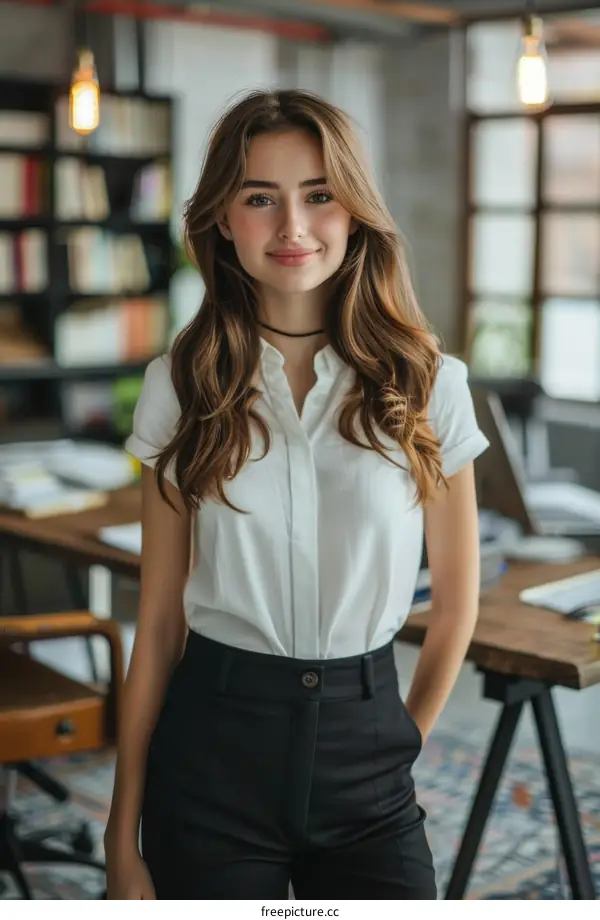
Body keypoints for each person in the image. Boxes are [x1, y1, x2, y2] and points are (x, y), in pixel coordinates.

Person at [104, 88, 489, 900]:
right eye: (259, 198)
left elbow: (455, 606)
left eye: (319, 195)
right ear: (221, 218)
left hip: (370, 751)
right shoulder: (180, 383)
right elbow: (161, 619)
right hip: (210, 751)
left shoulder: (428, 384)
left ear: (354, 213)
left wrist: (395, 746)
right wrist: (120, 828)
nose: (292, 228)